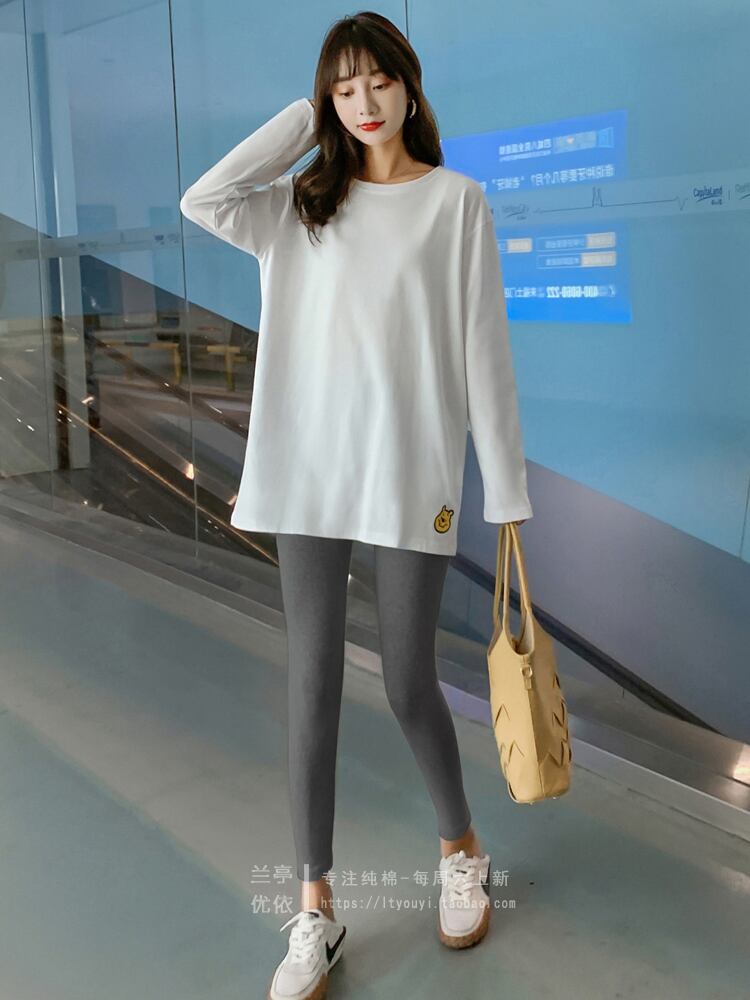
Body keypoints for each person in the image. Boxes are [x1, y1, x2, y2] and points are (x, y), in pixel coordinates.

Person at [180, 12, 532, 999]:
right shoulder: (300, 205)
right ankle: (316, 909)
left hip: (409, 473)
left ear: (410, 86)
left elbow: (486, 357)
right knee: (312, 686)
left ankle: (460, 848)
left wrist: (505, 489)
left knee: (411, 679)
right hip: (308, 475)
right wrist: (305, 119)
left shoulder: (456, 203)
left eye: (378, 80)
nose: (364, 102)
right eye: (344, 88)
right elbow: (203, 198)